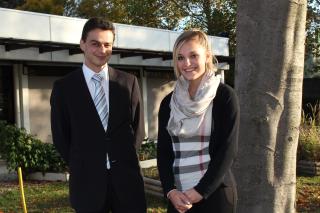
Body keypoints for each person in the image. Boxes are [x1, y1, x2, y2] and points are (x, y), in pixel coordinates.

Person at [50, 17, 146, 213]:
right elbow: (61, 136)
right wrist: (85, 162)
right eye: (95, 44)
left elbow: (137, 128)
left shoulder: (128, 82)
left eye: (107, 45)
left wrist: (124, 158)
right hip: (86, 185)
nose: (102, 50)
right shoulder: (64, 88)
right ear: (82, 44)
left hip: (127, 184)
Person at [157, 29, 240, 213]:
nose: (186, 63)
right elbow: (163, 152)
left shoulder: (224, 97)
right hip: (178, 199)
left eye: (193, 55)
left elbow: (228, 150)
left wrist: (199, 191)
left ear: (207, 56)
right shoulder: (168, 103)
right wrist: (170, 191)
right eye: (180, 57)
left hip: (214, 196)